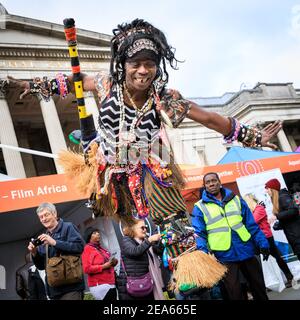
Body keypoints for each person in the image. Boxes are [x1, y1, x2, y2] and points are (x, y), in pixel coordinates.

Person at [5, 18, 281, 288]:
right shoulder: (106, 85)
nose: (143, 70)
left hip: (148, 162)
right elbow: (71, 81)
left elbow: (209, 119)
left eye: (150, 64)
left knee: (173, 218)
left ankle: (190, 274)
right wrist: (33, 86)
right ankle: (132, 230)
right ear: (122, 65)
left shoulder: (164, 97)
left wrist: (253, 136)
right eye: (135, 63)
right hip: (110, 165)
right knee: (121, 213)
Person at [192, 172, 270, 300]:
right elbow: (199, 233)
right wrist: (203, 253)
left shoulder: (236, 199)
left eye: (214, 180)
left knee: (258, 286)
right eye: (208, 182)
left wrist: (263, 243)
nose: (211, 184)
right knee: (234, 291)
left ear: (219, 182)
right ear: (205, 186)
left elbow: (251, 224)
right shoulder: (199, 207)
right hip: (224, 254)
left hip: (246, 248)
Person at [27, 202, 85, 300]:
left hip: (71, 288)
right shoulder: (43, 238)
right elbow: (41, 266)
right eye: (41, 217)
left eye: (46, 215)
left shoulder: (68, 227)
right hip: (54, 290)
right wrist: (34, 253)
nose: (44, 219)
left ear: (54, 214)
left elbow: (79, 247)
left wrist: (54, 242)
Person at [244, 194, 294, 287]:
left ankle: (289, 277)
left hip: (266, 237)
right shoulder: (252, 211)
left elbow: (253, 221)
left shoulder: (259, 209)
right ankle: (271, 282)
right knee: (264, 262)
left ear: (249, 201)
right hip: (257, 238)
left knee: (276, 257)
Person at [118, 219, 164, 300]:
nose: (145, 230)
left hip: (147, 281)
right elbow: (135, 252)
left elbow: (158, 251)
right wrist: (149, 240)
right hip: (135, 284)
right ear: (133, 229)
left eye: (146, 227)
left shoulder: (144, 239)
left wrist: (158, 242)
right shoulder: (126, 240)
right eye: (142, 228)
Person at [265, 178, 300, 261]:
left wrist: (276, 216)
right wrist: (278, 225)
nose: (266, 191)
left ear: (272, 189)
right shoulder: (278, 198)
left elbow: (293, 210)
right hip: (294, 236)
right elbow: (288, 218)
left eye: (267, 189)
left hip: (297, 235)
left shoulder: (282, 196)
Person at [82, 227, 118, 300]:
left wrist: (114, 262)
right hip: (99, 285)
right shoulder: (87, 249)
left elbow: (109, 261)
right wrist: (103, 266)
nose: (98, 234)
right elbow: (87, 269)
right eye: (94, 233)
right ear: (89, 236)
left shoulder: (101, 248)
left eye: (98, 232)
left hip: (110, 282)